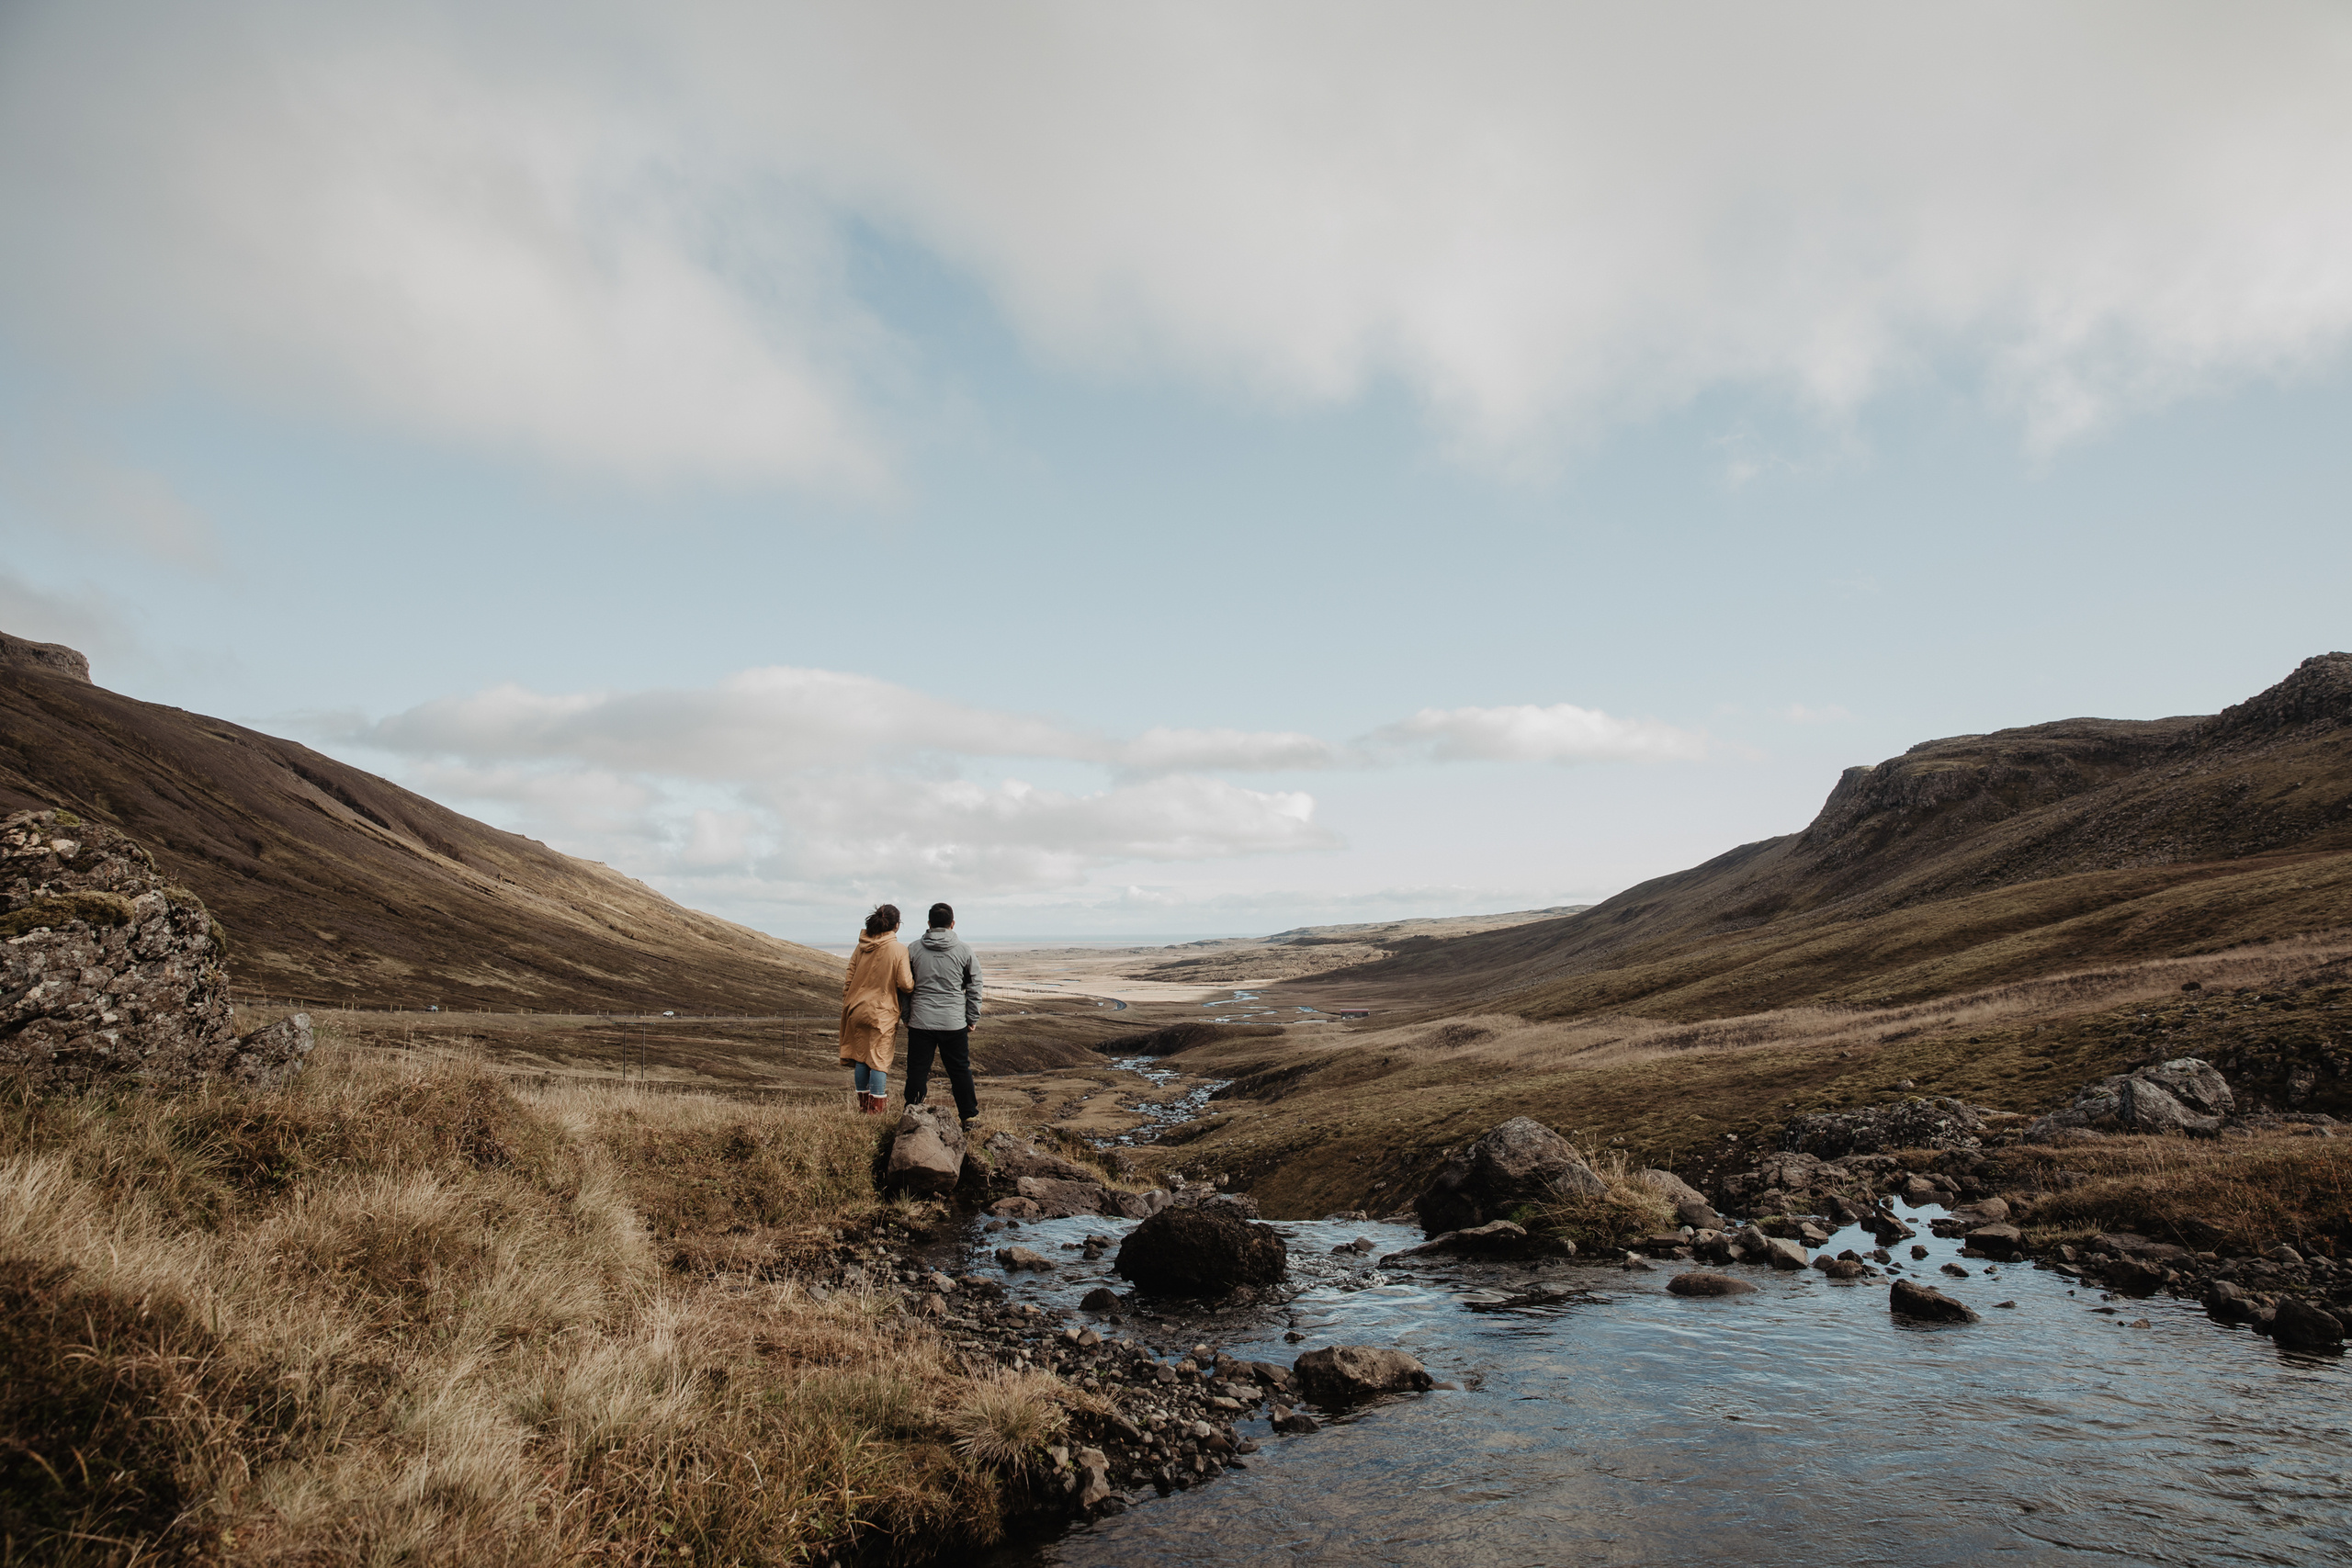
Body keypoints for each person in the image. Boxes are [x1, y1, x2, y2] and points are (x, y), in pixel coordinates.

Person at [904, 900, 983, 1128]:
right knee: (960, 1070)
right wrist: (972, 1018)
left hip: (920, 1021)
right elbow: (975, 985)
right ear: (952, 924)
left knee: (917, 1070)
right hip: (953, 1022)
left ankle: (913, 1112)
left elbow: (903, 987)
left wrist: (907, 1016)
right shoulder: (964, 950)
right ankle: (969, 1116)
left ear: (929, 923)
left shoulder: (913, 949)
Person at [839, 903, 912, 1114]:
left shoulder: (861, 946)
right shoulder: (898, 950)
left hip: (856, 1009)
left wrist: (850, 1000)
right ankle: (876, 1111)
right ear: (896, 925)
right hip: (882, 1012)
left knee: (861, 1058)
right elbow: (905, 984)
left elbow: (849, 976)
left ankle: (864, 1108)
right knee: (878, 1060)